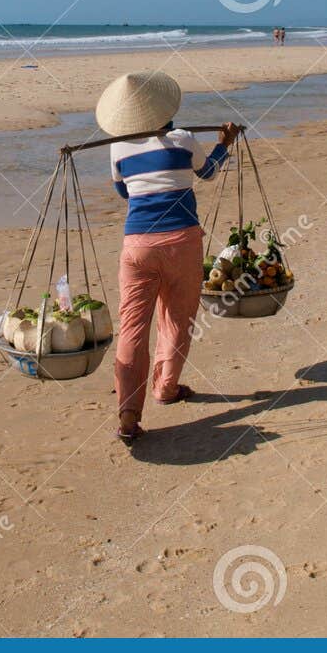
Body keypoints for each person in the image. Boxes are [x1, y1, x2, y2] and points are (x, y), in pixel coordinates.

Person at [95, 70, 237, 443]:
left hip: (138, 245)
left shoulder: (118, 147)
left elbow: (124, 193)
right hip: (182, 242)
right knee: (177, 318)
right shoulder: (184, 139)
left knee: (133, 327)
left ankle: (128, 413)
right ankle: (167, 387)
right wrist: (226, 143)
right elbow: (207, 172)